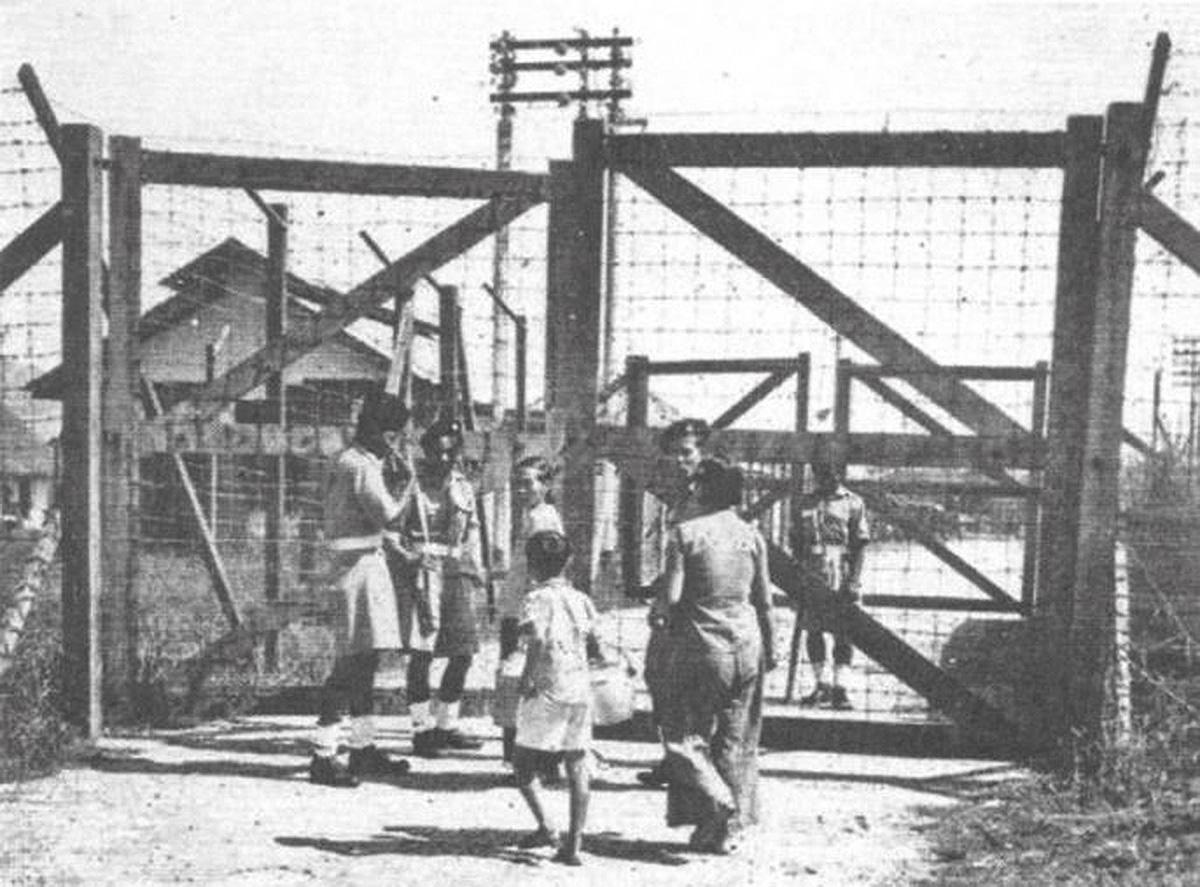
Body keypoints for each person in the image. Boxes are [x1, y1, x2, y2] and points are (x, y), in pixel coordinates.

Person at [654, 459, 775, 854]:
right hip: (747, 645)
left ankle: (717, 798)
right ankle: (722, 831)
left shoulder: (685, 533)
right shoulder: (752, 535)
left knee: (683, 737)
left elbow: (670, 599)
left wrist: (658, 614)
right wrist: (771, 650)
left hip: (703, 647)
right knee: (733, 739)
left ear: (705, 490)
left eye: (695, 485)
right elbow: (765, 602)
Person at [311, 388, 413, 787]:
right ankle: (323, 754)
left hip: (358, 564)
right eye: (392, 435)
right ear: (378, 431)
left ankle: (362, 748)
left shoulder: (348, 459)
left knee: (366, 661)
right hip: (356, 570)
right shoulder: (362, 466)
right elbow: (389, 515)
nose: (395, 443)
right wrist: (405, 486)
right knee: (350, 664)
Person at [394, 415, 486, 757]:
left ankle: (447, 725)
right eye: (437, 452)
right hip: (422, 573)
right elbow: (394, 529)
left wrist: (474, 565)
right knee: (422, 655)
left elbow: (472, 526)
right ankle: (422, 730)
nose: (444, 459)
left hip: (456, 571)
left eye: (450, 452)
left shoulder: (463, 484)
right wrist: (408, 560)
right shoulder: (412, 484)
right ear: (427, 452)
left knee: (463, 652)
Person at [511, 530, 602, 867]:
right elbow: (595, 643)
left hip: (546, 686)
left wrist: (525, 678)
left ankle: (547, 825)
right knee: (577, 761)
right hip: (578, 686)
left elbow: (535, 640)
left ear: (531, 565)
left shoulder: (536, 599)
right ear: (569, 563)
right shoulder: (581, 599)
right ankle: (574, 844)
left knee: (522, 761)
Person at [638, 418, 711, 789]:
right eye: (673, 454)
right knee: (658, 677)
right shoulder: (677, 498)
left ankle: (692, 762)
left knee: (689, 685)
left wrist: (669, 599)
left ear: (702, 454)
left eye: (687, 452)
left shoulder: (707, 499)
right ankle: (674, 756)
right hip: (674, 596)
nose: (679, 461)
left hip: (696, 604)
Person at [494, 456, 564, 768]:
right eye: (517, 483)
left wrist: (529, 613)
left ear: (545, 485)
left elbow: (544, 568)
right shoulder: (533, 514)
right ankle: (524, 756)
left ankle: (524, 758)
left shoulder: (543, 519)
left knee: (519, 680)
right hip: (516, 606)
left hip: (526, 611)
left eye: (528, 483)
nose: (521, 490)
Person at [793, 448, 870, 711]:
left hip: (841, 568)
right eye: (819, 472)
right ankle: (821, 684)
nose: (824, 477)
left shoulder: (853, 502)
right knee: (813, 630)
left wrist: (854, 581)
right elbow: (796, 541)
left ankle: (840, 688)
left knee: (844, 632)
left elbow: (860, 545)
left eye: (829, 471)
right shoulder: (806, 502)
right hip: (812, 570)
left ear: (839, 472)